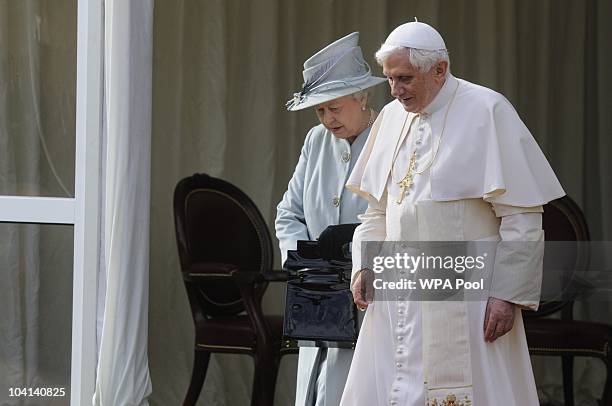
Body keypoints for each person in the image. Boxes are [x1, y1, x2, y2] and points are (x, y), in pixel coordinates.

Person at [339, 21, 565, 406]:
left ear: (439, 69)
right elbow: (376, 210)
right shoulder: (392, 118)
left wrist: (506, 295)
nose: (395, 91)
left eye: (405, 78)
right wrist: (365, 265)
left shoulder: (487, 109)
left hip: (468, 299)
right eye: (390, 79)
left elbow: (522, 217)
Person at [276, 32, 386, 406]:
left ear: (363, 97)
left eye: (334, 107)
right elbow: (289, 213)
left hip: (372, 295)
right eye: (320, 110)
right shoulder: (315, 141)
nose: (327, 119)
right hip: (318, 293)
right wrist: (305, 264)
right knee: (314, 387)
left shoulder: (391, 138)